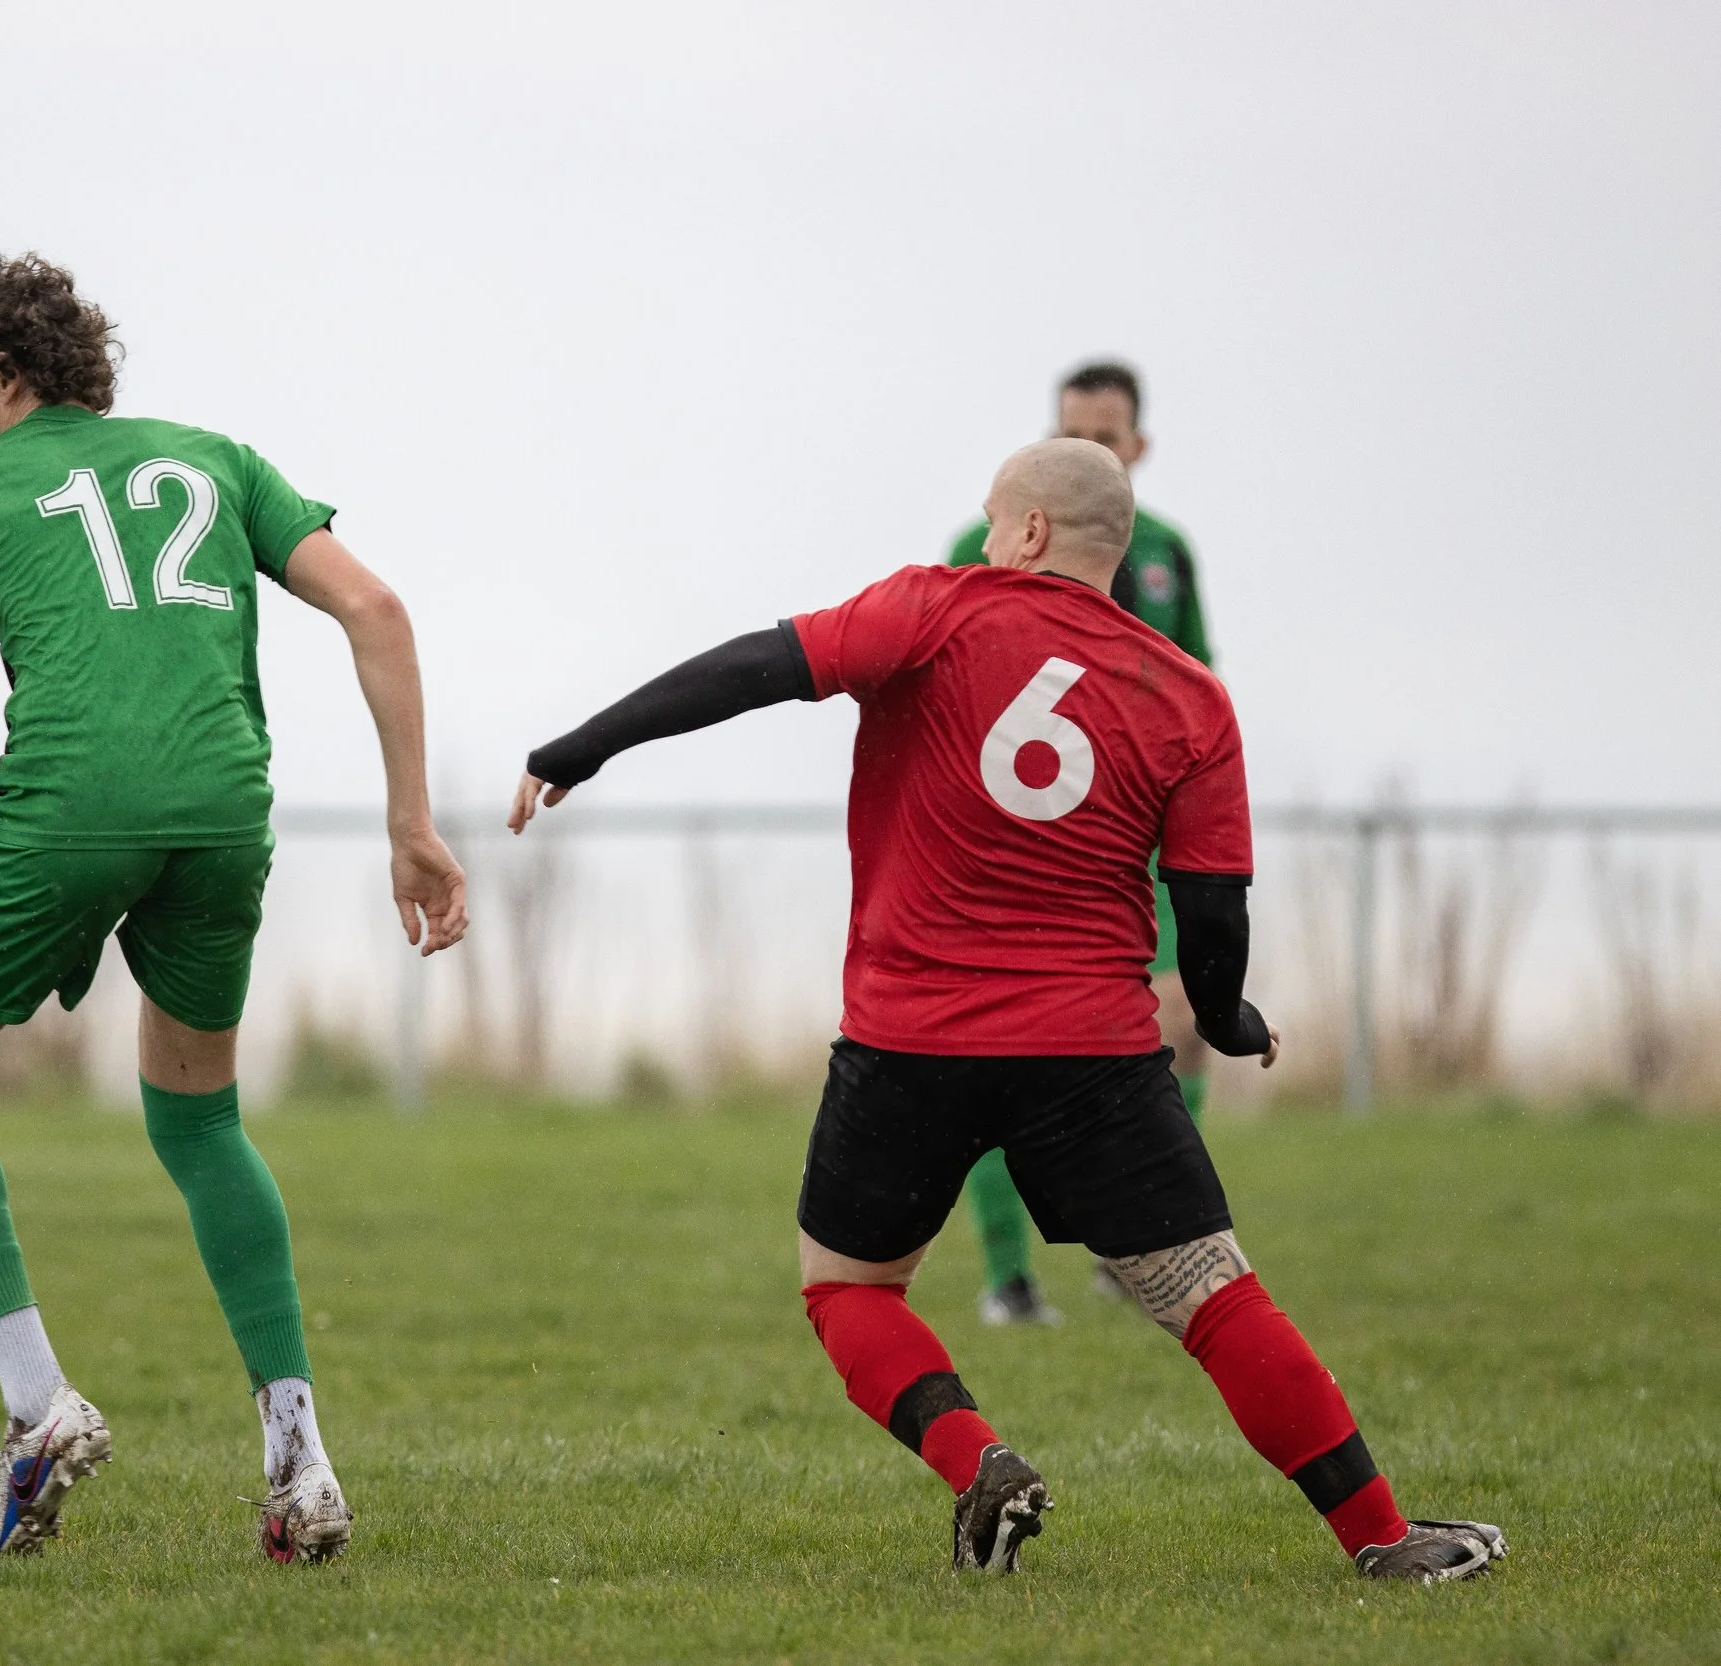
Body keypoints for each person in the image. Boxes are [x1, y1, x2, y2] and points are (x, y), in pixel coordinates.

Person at [507, 440, 1503, 1582]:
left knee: (847, 1290)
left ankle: (978, 1457)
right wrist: (1225, 1019)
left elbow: (755, 667)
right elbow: (1212, 918)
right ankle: (1381, 1536)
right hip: (1092, 1055)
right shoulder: (1187, 694)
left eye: (992, 520)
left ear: (1028, 532)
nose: (985, 539)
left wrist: (583, 746)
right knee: (1213, 1301)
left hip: (906, 1041)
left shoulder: (933, 609)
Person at [0, 254, 467, 1562]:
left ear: (6, 380)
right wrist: (409, 823)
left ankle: (38, 1404)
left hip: (67, 804)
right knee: (199, 1118)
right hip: (220, 812)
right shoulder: (217, 458)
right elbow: (378, 607)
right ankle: (299, 1461)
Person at [947, 362, 1214, 1325]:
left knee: (1179, 1033)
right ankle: (1010, 1279)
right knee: (980, 1056)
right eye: (1073, 432)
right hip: (1019, 851)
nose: (1092, 449)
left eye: (1108, 435)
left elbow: (1198, 694)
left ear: (1138, 447)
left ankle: (1138, 1250)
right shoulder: (977, 550)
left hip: (1141, 845)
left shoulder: (1167, 554)